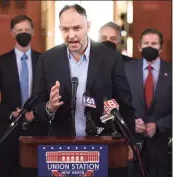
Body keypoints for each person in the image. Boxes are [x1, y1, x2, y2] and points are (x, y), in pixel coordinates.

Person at [32, 4, 135, 138]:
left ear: (88, 26)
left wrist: (129, 141)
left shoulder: (110, 58)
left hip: (102, 141)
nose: (71, 35)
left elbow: (125, 105)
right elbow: (36, 107)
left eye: (77, 28)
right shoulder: (47, 59)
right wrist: (50, 107)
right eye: (65, 29)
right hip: (61, 144)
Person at [0, 15, 48, 177]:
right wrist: (11, 113)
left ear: (33, 31)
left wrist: (36, 113)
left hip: (38, 132)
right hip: (7, 134)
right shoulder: (0, 63)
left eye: (27, 29)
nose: (23, 33)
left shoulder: (43, 61)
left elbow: (48, 96)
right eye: (20, 30)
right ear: (13, 33)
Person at [125, 28, 172, 177]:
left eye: (154, 43)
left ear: (161, 47)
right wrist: (130, 121)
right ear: (139, 46)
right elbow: (119, 103)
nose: (150, 46)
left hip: (163, 147)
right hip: (133, 145)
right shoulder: (126, 69)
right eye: (146, 43)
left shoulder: (171, 71)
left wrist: (158, 125)